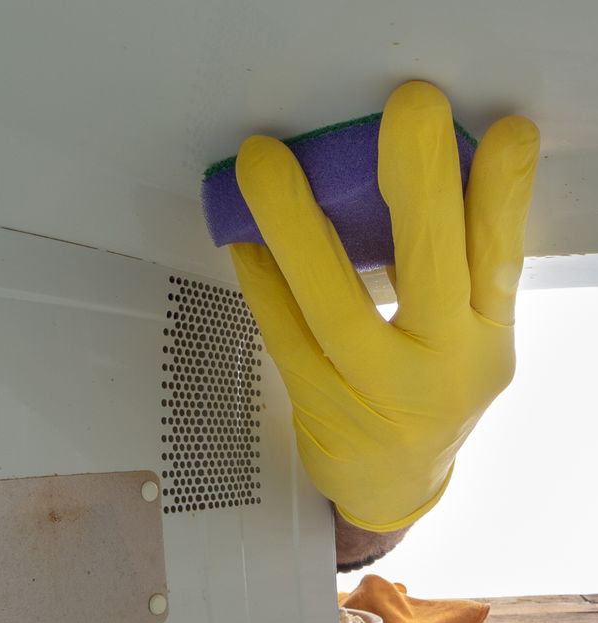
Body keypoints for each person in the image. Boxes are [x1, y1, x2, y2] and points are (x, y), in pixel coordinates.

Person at [227, 81, 540, 572]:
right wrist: (365, 520)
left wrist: (375, 522)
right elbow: (289, 339)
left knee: (479, 236)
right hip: (282, 108)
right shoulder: (346, 479)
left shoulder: (419, 479)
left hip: (484, 369)